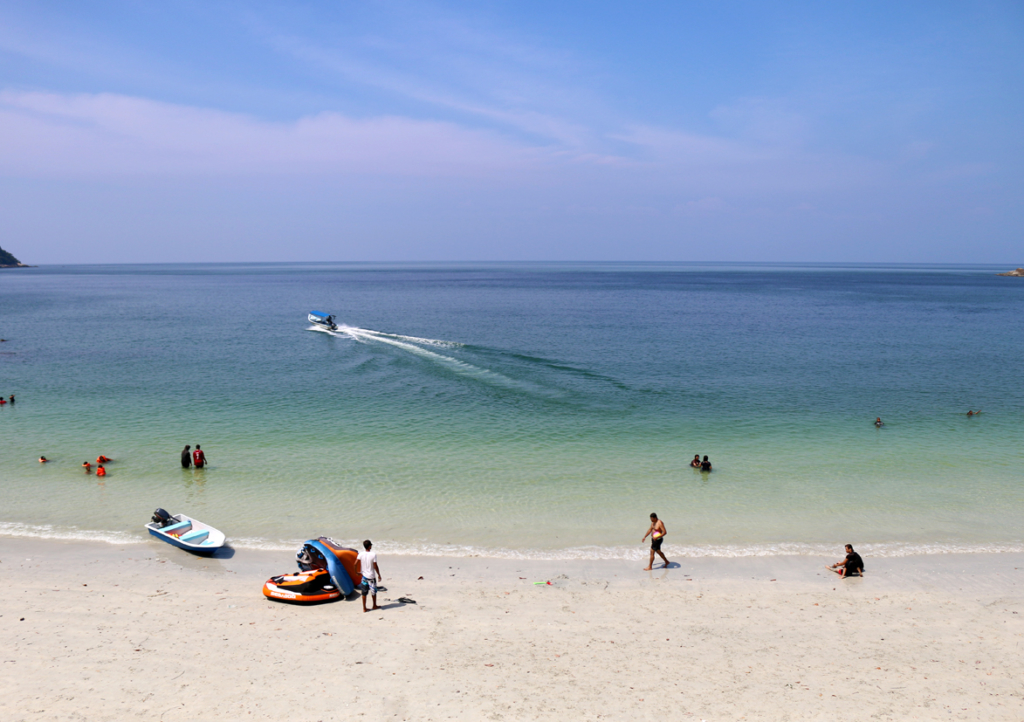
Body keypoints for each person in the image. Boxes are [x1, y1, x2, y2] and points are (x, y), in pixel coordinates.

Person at [357, 539, 382, 613]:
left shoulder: (361, 554)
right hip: (371, 577)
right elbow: (375, 565)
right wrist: (379, 575)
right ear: (370, 546)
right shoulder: (373, 554)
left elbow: (355, 563)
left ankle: (364, 608)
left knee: (364, 592)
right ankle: (374, 605)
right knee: (373, 591)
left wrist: (357, 572)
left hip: (364, 577)